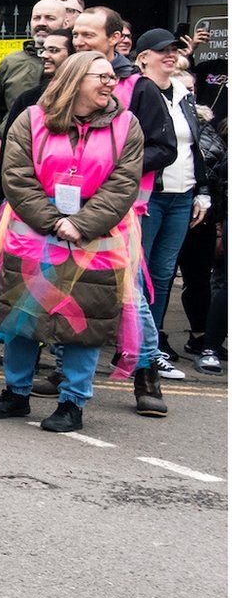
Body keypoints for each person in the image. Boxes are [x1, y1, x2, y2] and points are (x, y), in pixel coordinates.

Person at [0, 53, 145, 433]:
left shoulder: (127, 125)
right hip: (34, 231)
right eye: (100, 76)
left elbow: (123, 184)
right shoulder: (31, 119)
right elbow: (16, 176)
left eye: (111, 77)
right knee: (23, 317)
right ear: (74, 78)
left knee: (85, 321)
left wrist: (82, 224)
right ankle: (15, 393)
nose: (110, 83)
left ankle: (72, 403)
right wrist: (53, 222)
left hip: (95, 236)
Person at [73, 7, 180, 407]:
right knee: (70, 289)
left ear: (118, 38)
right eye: (77, 34)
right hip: (69, 205)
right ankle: (66, 367)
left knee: (130, 294)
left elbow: (163, 149)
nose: (79, 40)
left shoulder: (139, 87)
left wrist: (109, 164)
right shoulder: (69, 79)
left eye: (89, 34)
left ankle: (147, 374)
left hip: (122, 208)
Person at [133, 28, 208, 366]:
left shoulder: (183, 93)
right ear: (143, 57)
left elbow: (195, 148)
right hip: (151, 197)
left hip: (183, 196)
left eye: (174, 49)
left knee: (163, 276)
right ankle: (136, 347)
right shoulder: (136, 92)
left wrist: (201, 193)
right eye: (161, 49)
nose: (170, 54)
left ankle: (153, 347)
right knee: (139, 274)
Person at [0, 0, 67, 158]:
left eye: (50, 18)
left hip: (57, 154)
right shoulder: (11, 62)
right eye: (37, 18)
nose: (42, 23)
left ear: (65, 23)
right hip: (13, 152)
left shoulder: (74, 62)